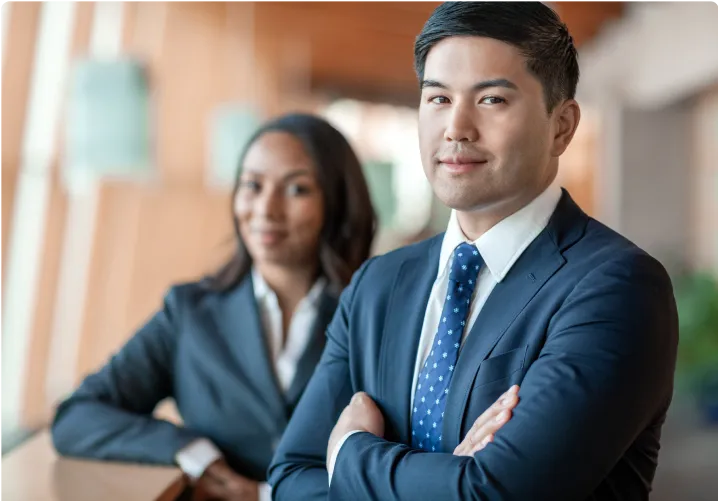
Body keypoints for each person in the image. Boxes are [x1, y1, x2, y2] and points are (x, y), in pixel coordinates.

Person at [268, 1, 679, 500]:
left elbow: (497, 494)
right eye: (438, 99)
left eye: (491, 100)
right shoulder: (376, 286)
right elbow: (291, 476)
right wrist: (449, 479)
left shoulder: (616, 287)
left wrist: (350, 449)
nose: (456, 128)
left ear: (562, 126)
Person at [51, 113, 377, 501]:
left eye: (296, 189)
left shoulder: (377, 316)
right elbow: (78, 416)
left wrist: (265, 494)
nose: (266, 209)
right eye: (252, 185)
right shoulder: (189, 313)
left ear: (338, 202)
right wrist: (193, 453)